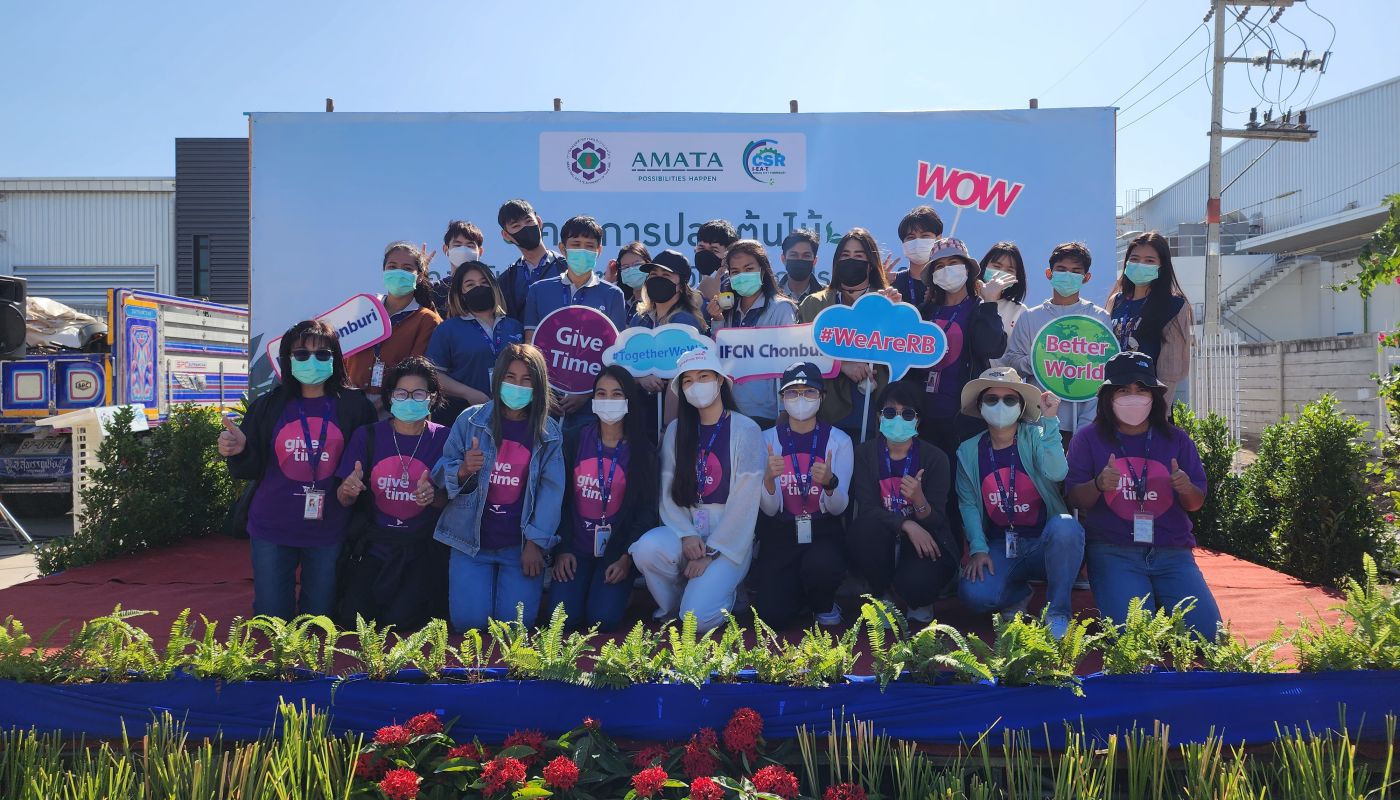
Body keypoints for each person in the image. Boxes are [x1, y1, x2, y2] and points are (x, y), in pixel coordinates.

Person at [219, 320, 377, 619]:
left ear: (335, 358)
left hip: (329, 527)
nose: (311, 361)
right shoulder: (268, 406)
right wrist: (240, 450)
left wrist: (357, 483)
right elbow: (250, 467)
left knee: (318, 620)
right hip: (272, 525)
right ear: (288, 360)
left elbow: (366, 461)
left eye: (322, 354)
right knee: (272, 620)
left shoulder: (355, 406)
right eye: (302, 354)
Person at [1065, 351, 1220, 636]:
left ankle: (1159, 597)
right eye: (1123, 390)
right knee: (1133, 636)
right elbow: (1074, 498)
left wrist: (1186, 488)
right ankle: (1146, 597)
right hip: (1113, 551)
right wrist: (1098, 484)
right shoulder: (1087, 438)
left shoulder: (1177, 440)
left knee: (1208, 636)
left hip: (1171, 551)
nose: (1133, 397)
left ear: (1154, 396)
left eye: (1142, 390)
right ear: (1108, 396)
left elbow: (1195, 503)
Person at [630, 348, 764, 632]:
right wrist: (686, 533)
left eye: (703, 377)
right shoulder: (676, 431)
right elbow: (667, 492)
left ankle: (725, 594)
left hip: (729, 539)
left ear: (720, 380)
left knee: (698, 620)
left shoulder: (747, 430)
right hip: (687, 528)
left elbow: (745, 502)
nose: (696, 385)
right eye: (688, 380)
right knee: (647, 550)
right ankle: (674, 607)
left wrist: (711, 552)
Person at [432, 343, 564, 631]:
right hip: (470, 542)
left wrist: (535, 544)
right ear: (498, 378)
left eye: (527, 380)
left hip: (520, 546)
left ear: (539, 385)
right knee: (469, 625)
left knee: (514, 629)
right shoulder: (470, 419)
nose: (518, 386)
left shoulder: (549, 432)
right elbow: (440, 473)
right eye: (510, 377)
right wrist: (463, 469)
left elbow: (552, 492)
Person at [954, 367, 1085, 639]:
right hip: (1001, 545)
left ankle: (1058, 612)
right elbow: (968, 504)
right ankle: (1018, 594)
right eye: (992, 399)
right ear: (980, 406)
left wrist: (1050, 421)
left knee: (1066, 527)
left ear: (1021, 406)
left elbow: (1057, 473)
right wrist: (978, 549)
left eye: (1009, 399)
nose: (1000, 405)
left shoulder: (1037, 436)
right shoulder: (968, 451)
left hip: (1044, 542)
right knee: (974, 595)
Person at [335, 356, 452, 630]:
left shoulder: (445, 439)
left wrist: (432, 497)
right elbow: (343, 498)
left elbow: (449, 502)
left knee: (403, 622)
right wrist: (348, 489)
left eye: (418, 394)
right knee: (354, 619)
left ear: (432, 398)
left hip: (420, 549)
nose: (409, 400)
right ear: (390, 396)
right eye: (401, 393)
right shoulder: (367, 436)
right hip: (375, 546)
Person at [548, 366, 659, 631]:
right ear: (594, 399)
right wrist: (562, 550)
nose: (608, 400)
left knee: (603, 620)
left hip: (615, 552)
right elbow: (558, 500)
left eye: (617, 394)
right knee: (562, 620)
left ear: (629, 400)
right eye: (601, 393)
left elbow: (647, 511)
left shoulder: (644, 451)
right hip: (575, 548)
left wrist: (626, 557)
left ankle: (616, 591)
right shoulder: (573, 439)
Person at [847, 381, 958, 623]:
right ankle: (881, 594)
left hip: (924, 539)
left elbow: (937, 519)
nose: (898, 419)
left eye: (907, 413)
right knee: (863, 531)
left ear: (917, 420)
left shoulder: (936, 458)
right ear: (879, 417)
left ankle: (920, 599)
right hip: (883, 536)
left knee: (917, 584)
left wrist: (919, 500)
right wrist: (906, 525)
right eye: (890, 412)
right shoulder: (864, 454)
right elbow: (867, 509)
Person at [753, 363, 854, 628]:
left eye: (809, 392)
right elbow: (769, 509)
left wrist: (829, 484)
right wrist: (768, 480)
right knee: (773, 616)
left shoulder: (840, 441)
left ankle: (823, 603)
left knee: (822, 565)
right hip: (781, 531)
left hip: (823, 530)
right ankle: (797, 594)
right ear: (782, 398)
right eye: (793, 392)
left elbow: (838, 508)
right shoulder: (766, 440)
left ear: (822, 397)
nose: (801, 399)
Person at [1001, 242, 1110, 446]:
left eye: (1076, 271)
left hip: (1082, 427)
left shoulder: (1099, 318)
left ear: (1086, 277)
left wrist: (1086, 427)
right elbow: (1012, 362)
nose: (1068, 275)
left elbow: (1103, 376)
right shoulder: (1030, 317)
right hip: (1037, 423)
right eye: (1061, 269)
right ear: (1049, 273)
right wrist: (1040, 362)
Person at [912, 237, 1011, 457]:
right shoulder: (924, 312)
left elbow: (991, 348)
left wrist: (990, 303)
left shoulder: (980, 309)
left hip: (964, 419)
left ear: (967, 269)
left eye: (953, 263)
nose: (946, 270)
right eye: (939, 266)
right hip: (922, 418)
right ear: (933, 276)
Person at [797, 228, 898, 440]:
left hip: (874, 411)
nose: (851, 261)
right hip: (828, 411)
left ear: (870, 264)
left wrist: (895, 314)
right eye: (845, 255)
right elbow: (800, 352)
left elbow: (901, 353)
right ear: (836, 262)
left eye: (859, 256)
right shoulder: (814, 304)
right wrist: (840, 365)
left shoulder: (887, 301)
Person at [707, 240, 798, 427]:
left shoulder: (781, 308)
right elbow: (720, 356)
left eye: (749, 269)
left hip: (767, 413)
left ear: (763, 271)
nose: (742, 276)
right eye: (735, 272)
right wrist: (717, 319)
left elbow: (789, 363)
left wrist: (784, 410)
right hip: (729, 409)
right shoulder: (728, 310)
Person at [425, 261, 524, 425]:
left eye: (484, 282)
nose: (479, 287)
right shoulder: (447, 329)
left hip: (510, 415)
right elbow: (433, 375)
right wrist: (468, 393)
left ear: (494, 287)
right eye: (470, 284)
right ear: (460, 293)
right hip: (462, 417)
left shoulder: (515, 326)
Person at [346, 242, 442, 405]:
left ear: (419, 276)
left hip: (397, 405)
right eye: (392, 266)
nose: (398, 272)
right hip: (350, 401)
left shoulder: (427, 320)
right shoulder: (363, 307)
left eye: (407, 268)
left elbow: (417, 370)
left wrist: (388, 402)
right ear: (384, 271)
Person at [1109, 231, 1193, 401]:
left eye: (1149, 261)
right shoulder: (1116, 300)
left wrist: (1158, 411)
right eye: (1134, 259)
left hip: (1147, 403)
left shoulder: (1174, 306)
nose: (1140, 264)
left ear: (1162, 266)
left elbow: (1170, 371)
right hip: (1112, 399)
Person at [523, 215, 627, 337]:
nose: (582, 250)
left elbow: (616, 344)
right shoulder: (538, 290)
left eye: (589, 246)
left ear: (598, 251)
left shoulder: (613, 294)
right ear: (563, 249)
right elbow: (530, 341)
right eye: (576, 244)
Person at [496, 198, 566, 321]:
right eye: (516, 226)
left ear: (538, 221)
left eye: (528, 221)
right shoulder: (505, 280)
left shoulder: (567, 267)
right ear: (506, 235)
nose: (525, 228)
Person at [891, 205, 944, 305]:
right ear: (904, 244)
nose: (918, 242)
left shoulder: (948, 284)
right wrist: (878, 282)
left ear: (939, 239)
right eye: (911, 237)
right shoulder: (891, 283)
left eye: (925, 236)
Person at [430, 220, 486, 314]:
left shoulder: (490, 288)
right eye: (457, 245)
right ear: (446, 250)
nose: (463, 250)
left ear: (480, 252)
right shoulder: (434, 290)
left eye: (470, 246)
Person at [979, 242, 1029, 347]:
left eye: (1010, 270)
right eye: (996, 266)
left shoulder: (1019, 311)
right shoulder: (967, 300)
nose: (1001, 272)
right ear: (984, 266)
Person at [694, 219, 739, 300]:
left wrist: (714, 295)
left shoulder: (735, 287)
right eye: (701, 248)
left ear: (728, 255)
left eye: (714, 250)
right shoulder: (696, 291)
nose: (705, 255)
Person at [777, 228, 825, 303]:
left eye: (806, 256)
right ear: (783, 259)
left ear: (814, 261)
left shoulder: (828, 297)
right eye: (794, 255)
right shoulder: (769, 295)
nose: (799, 260)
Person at [604, 241, 653, 308]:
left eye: (637, 264)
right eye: (625, 267)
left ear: (648, 264)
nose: (631, 269)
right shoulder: (621, 305)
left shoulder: (658, 303)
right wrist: (608, 281)